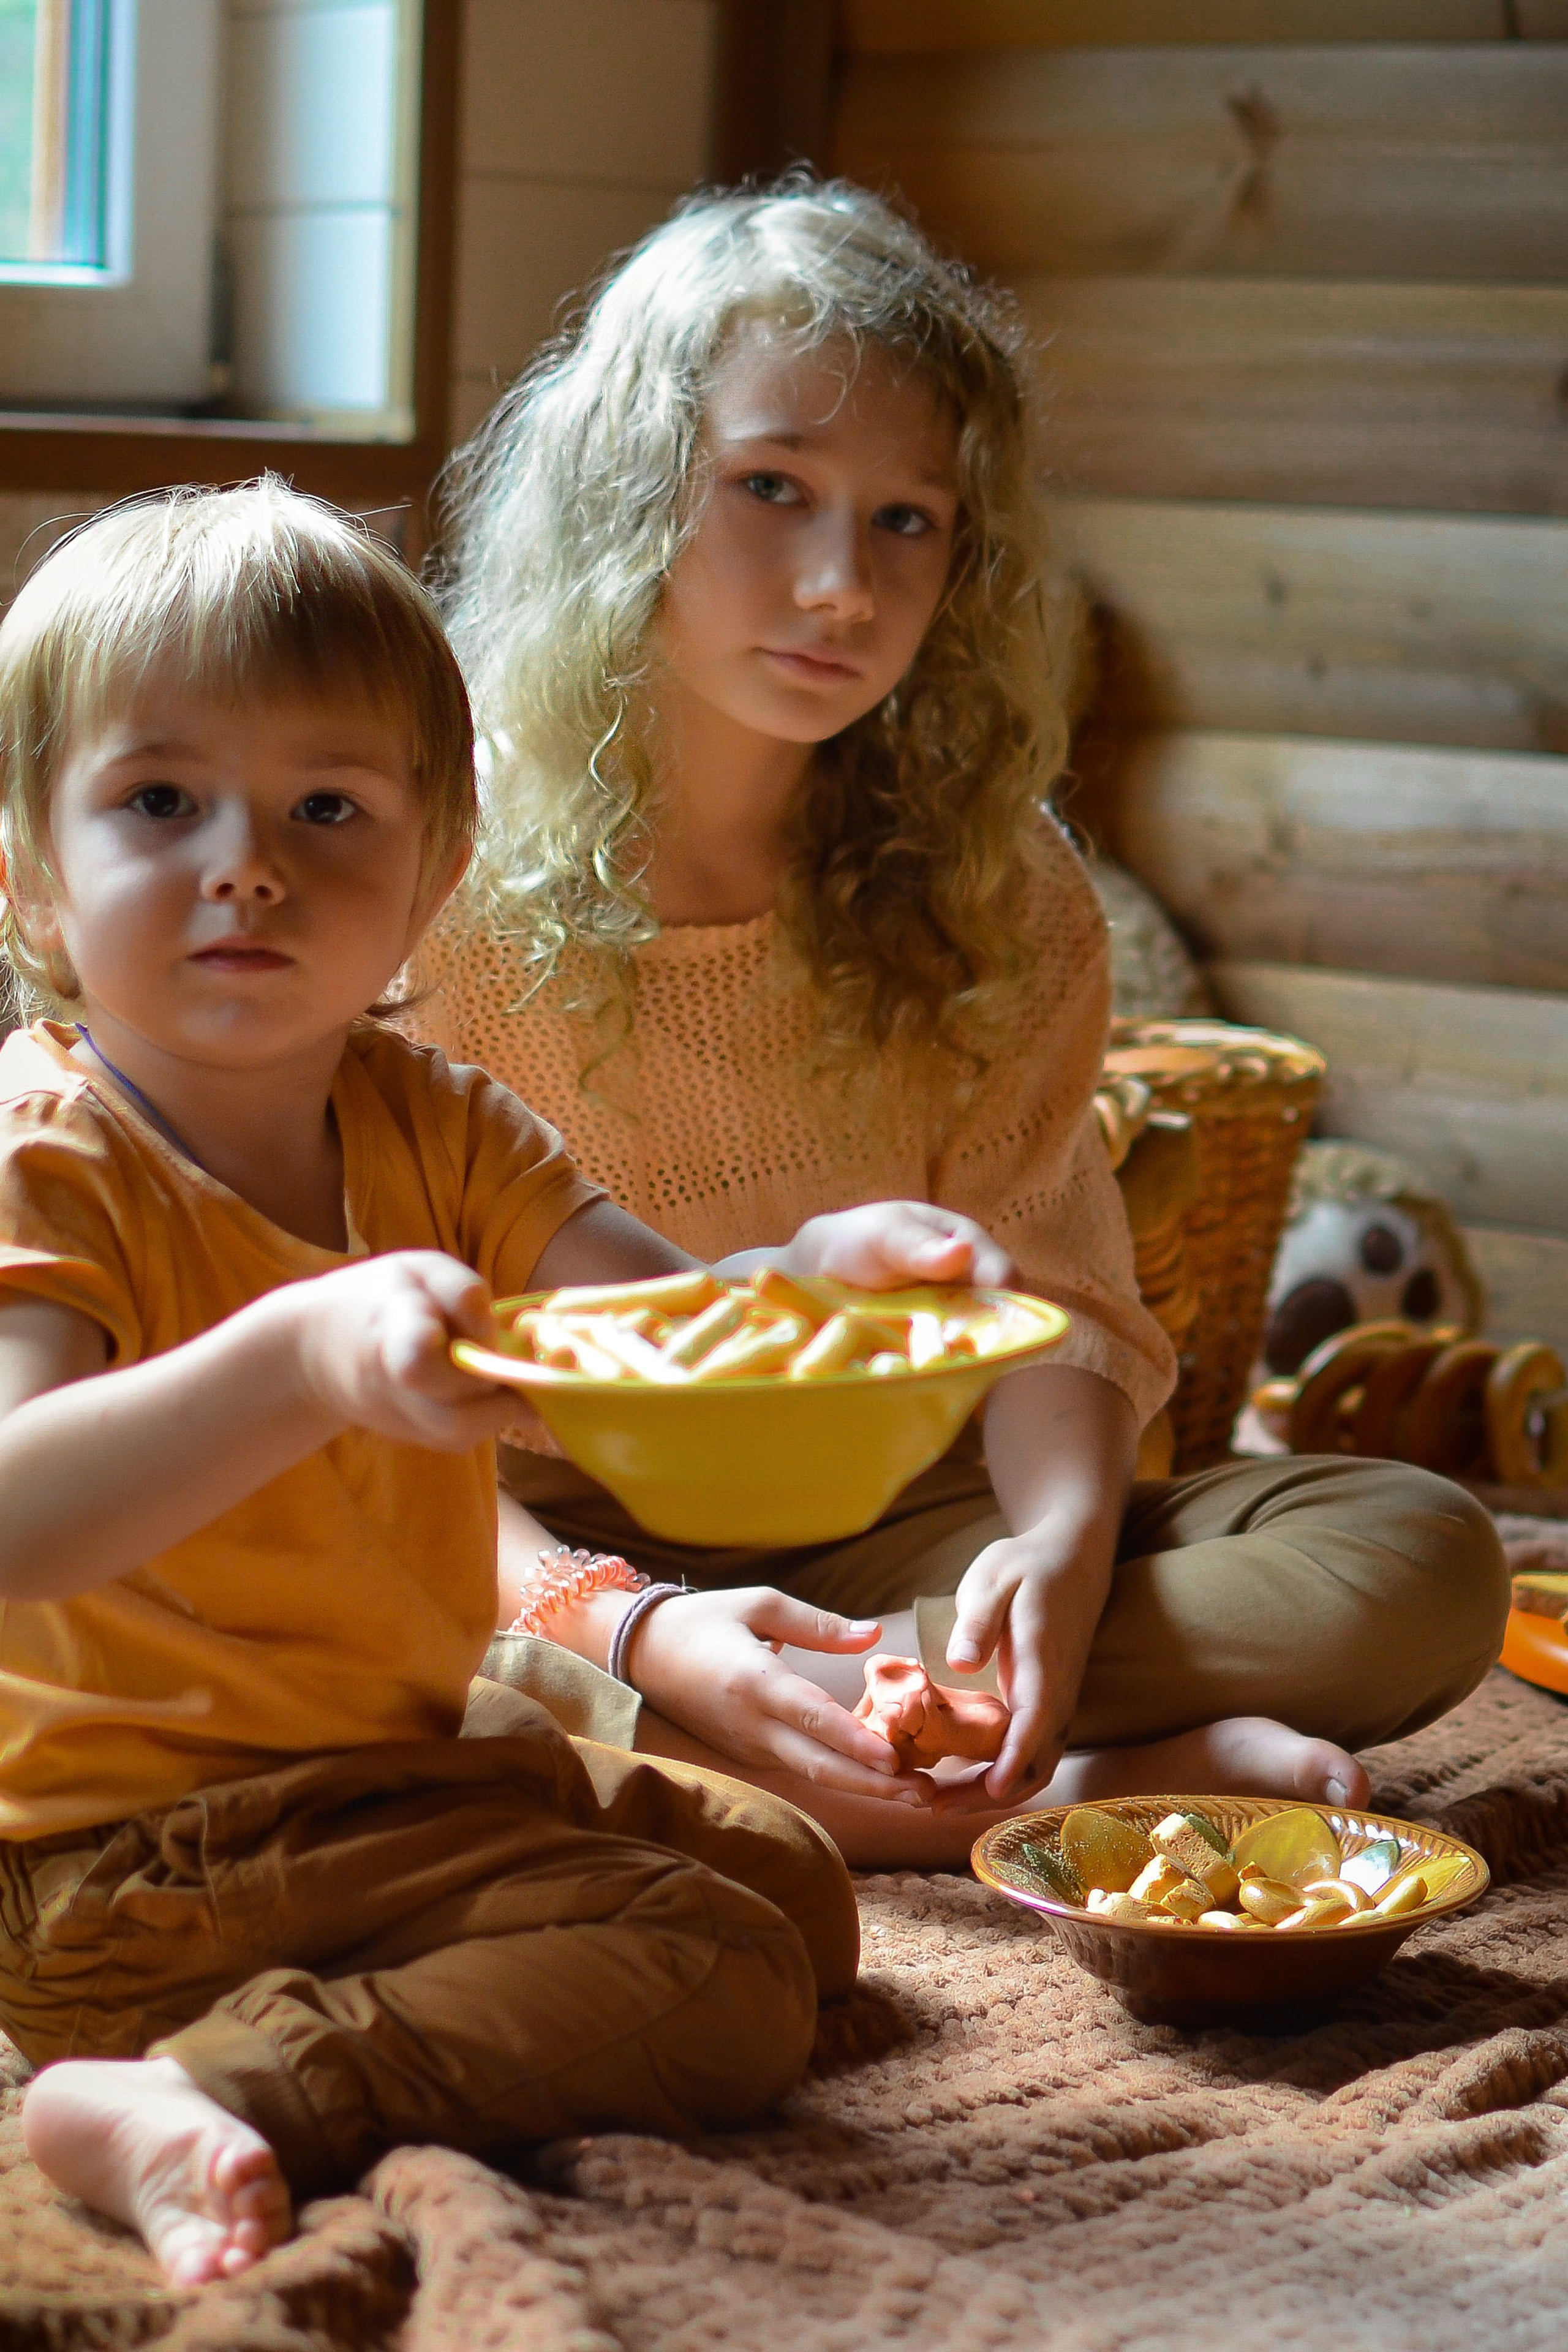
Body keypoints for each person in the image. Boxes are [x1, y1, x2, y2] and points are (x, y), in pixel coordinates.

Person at [416, 178, 1510, 1867]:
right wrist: (626, 1620)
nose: (842, 585)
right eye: (771, 488)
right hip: (523, 1545)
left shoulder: (1000, 888)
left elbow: (1053, 1297)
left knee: (1420, 1562)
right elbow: (333, 1400)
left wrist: (1059, 1555)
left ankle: (843, 1742)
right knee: (337, 1643)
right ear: (628, 485)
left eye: (908, 520)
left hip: (904, 1525)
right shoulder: (421, 859)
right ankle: (1055, 1771)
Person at [0, 480, 998, 2285]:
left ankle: (367, 1995)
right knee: (718, 1975)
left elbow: (666, 1335)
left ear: (435, 871)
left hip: (383, 1782)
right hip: (121, 1861)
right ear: (33, 879)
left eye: (327, 808)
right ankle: (183, 2088)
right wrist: (300, 1359)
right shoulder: (50, 1156)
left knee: (789, 1886)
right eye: (159, 802)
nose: (249, 864)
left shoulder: (435, 1120)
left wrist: (814, 1280)